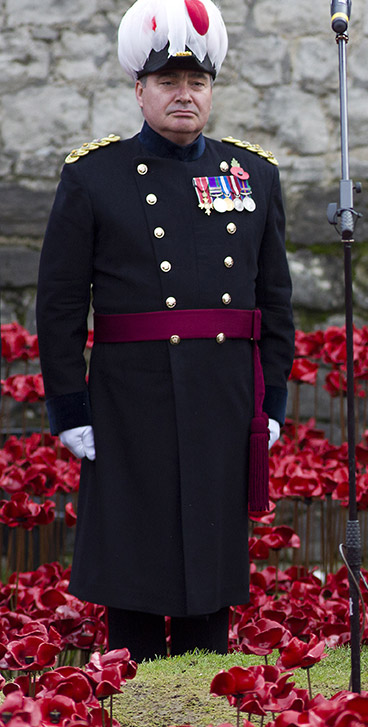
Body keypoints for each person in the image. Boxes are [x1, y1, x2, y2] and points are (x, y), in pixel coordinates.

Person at [35, 0, 294, 664]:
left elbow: (277, 302)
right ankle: (135, 697)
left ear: (211, 90)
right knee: (135, 557)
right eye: (169, 83)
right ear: (139, 89)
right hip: (131, 397)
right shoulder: (93, 176)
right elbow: (62, 305)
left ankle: (210, 709)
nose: (185, 95)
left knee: (211, 559)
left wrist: (273, 404)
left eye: (197, 83)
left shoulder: (253, 175)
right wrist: (69, 406)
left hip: (222, 395)